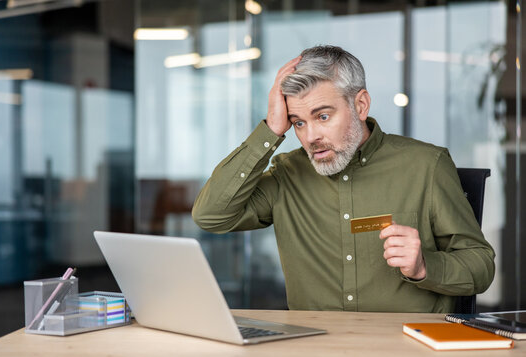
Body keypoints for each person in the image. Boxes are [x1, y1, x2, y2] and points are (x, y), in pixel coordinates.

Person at [192, 45, 495, 312]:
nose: (310, 137)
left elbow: (481, 266)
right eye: (298, 122)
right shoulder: (288, 174)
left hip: (407, 347)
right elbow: (211, 216)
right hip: (314, 347)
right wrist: (271, 130)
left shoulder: (427, 166)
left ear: (360, 105)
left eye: (322, 116)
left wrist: (424, 266)